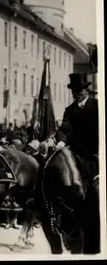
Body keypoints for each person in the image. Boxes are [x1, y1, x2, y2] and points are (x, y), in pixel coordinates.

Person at [52, 73, 99, 255]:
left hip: (92, 154)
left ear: (86, 89)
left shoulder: (96, 106)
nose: (77, 94)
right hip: (74, 152)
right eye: (74, 91)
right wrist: (61, 140)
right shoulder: (69, 110)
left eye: (80, 90)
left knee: (95, 187)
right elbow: (64, 128)